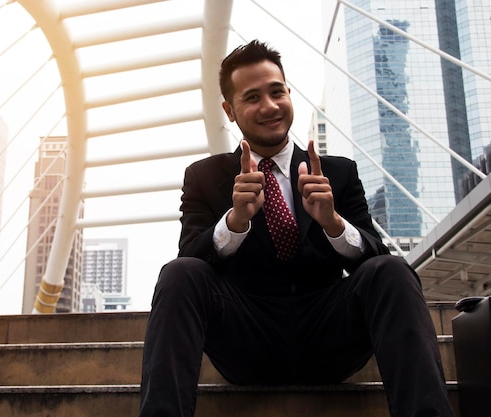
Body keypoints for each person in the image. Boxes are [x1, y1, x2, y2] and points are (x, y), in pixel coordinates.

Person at [138, 39, 454, 417]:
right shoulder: (204, 177)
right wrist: (234, 222)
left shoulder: (337, 172)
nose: (269, 106)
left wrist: (334, 224)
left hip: (330, 335)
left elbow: (376, 261)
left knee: (392, 270)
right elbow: (190, 261)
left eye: (277, 92)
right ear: (230, 110)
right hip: (246, 338)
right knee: (179, 272)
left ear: (289, 93)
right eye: (252, 97)